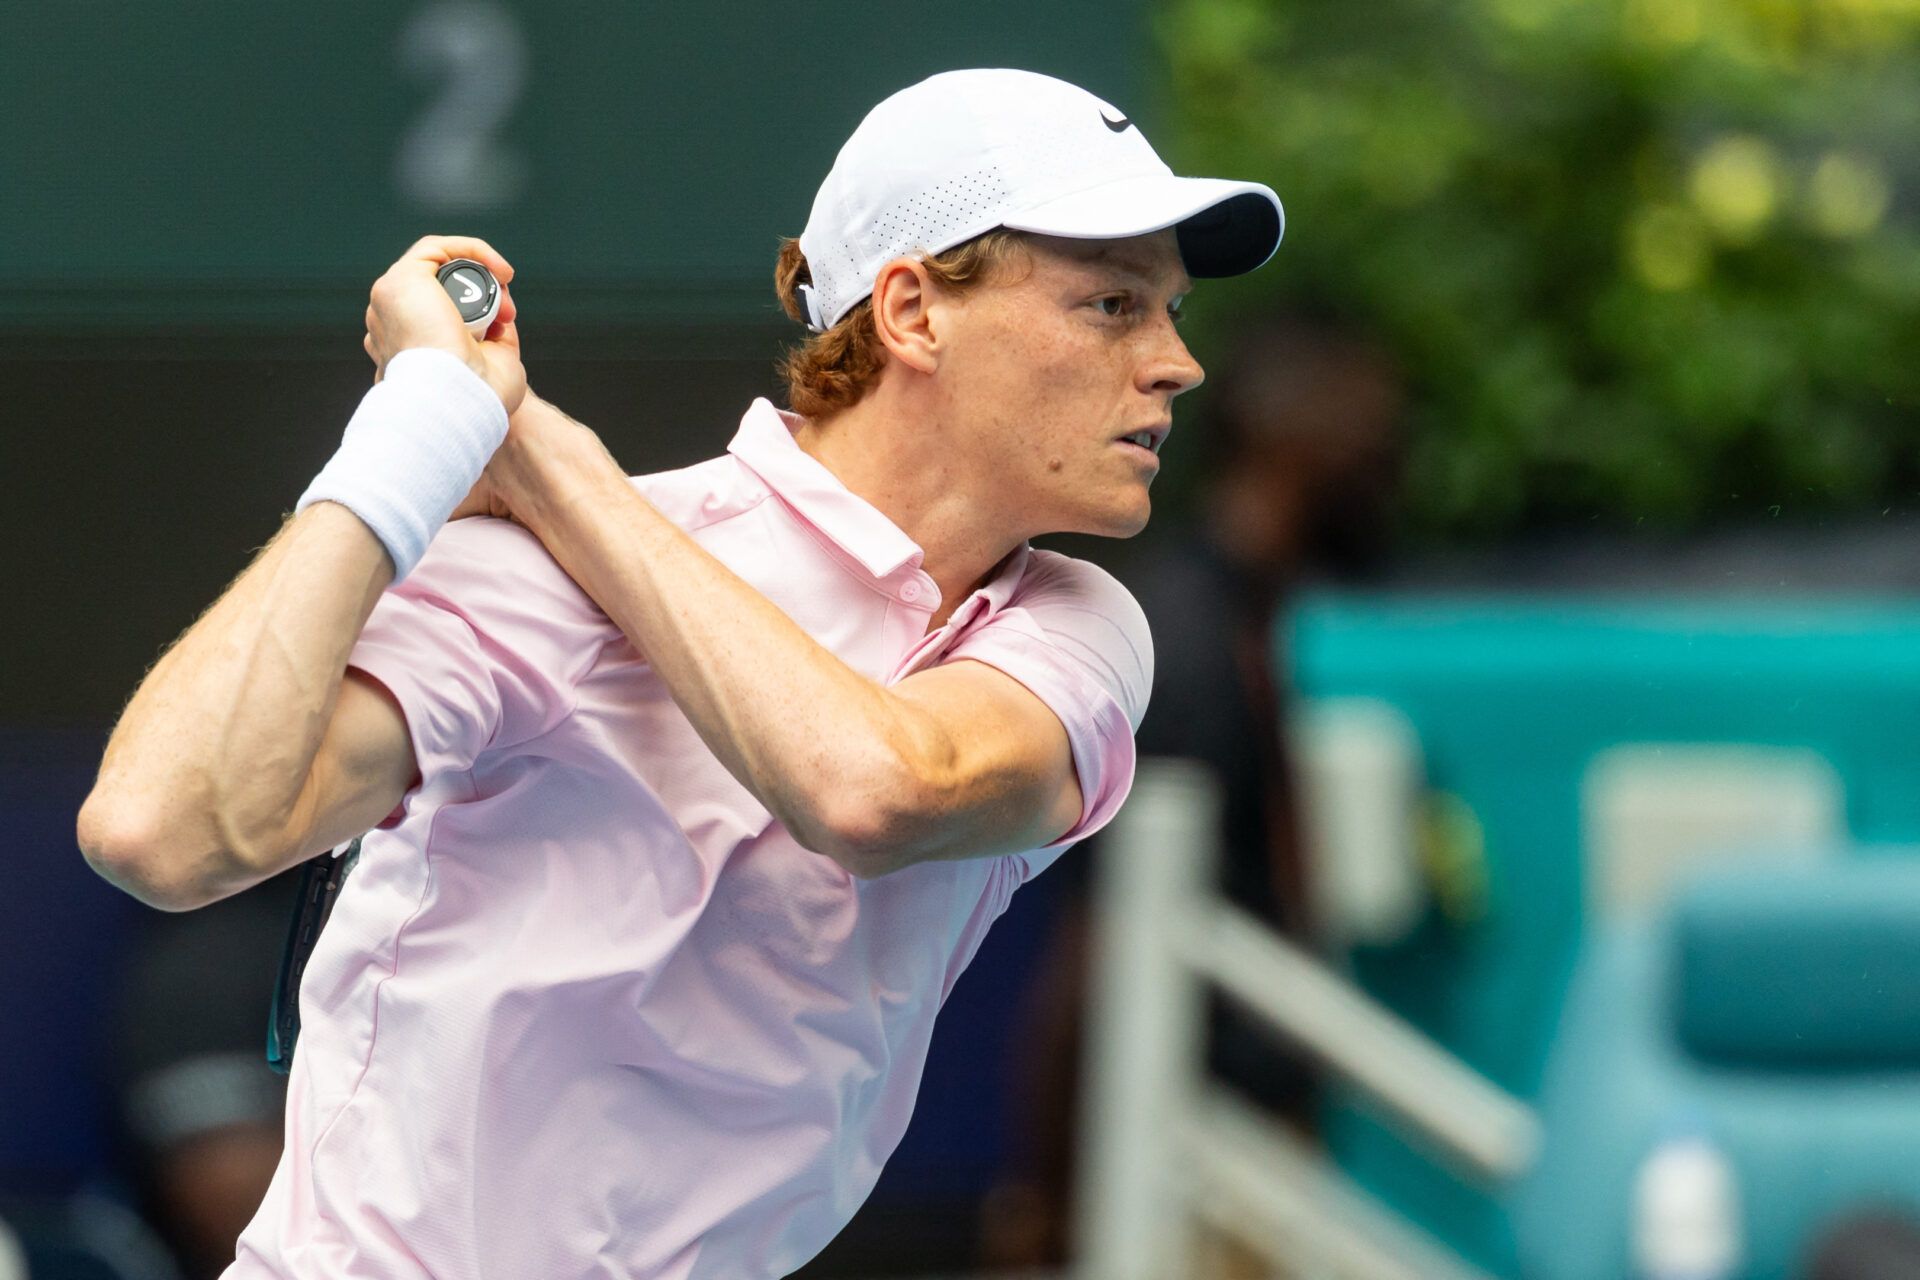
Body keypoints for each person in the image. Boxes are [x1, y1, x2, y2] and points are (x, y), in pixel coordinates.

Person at [76, 68, 1283, 1278]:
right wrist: (414, 433)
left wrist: (537, 447)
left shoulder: (1076, 624)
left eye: (1170, 310)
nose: (1177, 361)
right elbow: (159, 832)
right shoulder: (534, 579)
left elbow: (877, 788)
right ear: (913, 313)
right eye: (1116, 304)